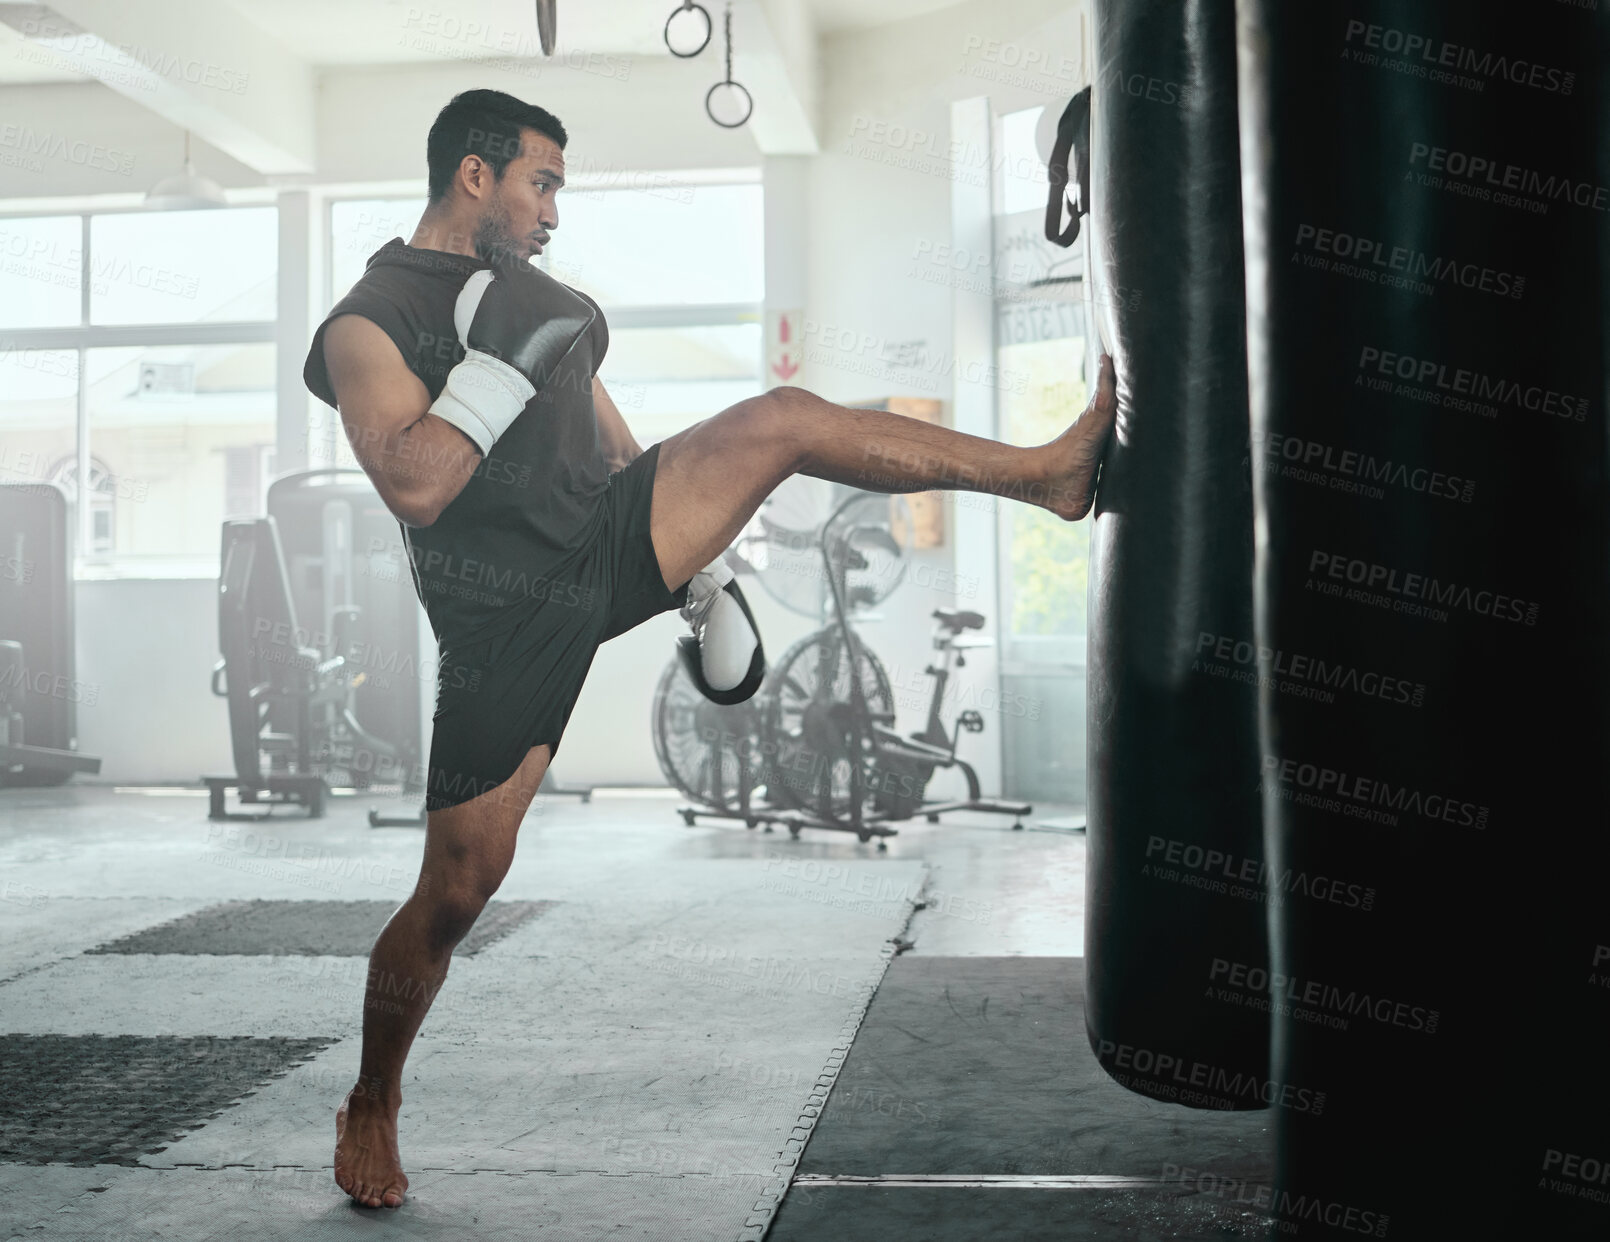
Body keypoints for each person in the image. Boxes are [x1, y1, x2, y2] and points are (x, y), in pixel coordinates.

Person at [304, 87, 1117, 1210]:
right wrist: (497, 362)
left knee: (779, 417)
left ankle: (1042, 475)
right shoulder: (369, 318)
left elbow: (597, 425)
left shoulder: (538, 298)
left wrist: (698, 566)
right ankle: (374, 1097)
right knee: (456, 888)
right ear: (474, 176)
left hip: (604, 534)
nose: (551, 211)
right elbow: (413, 483)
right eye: (540, 183)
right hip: (505, 620)